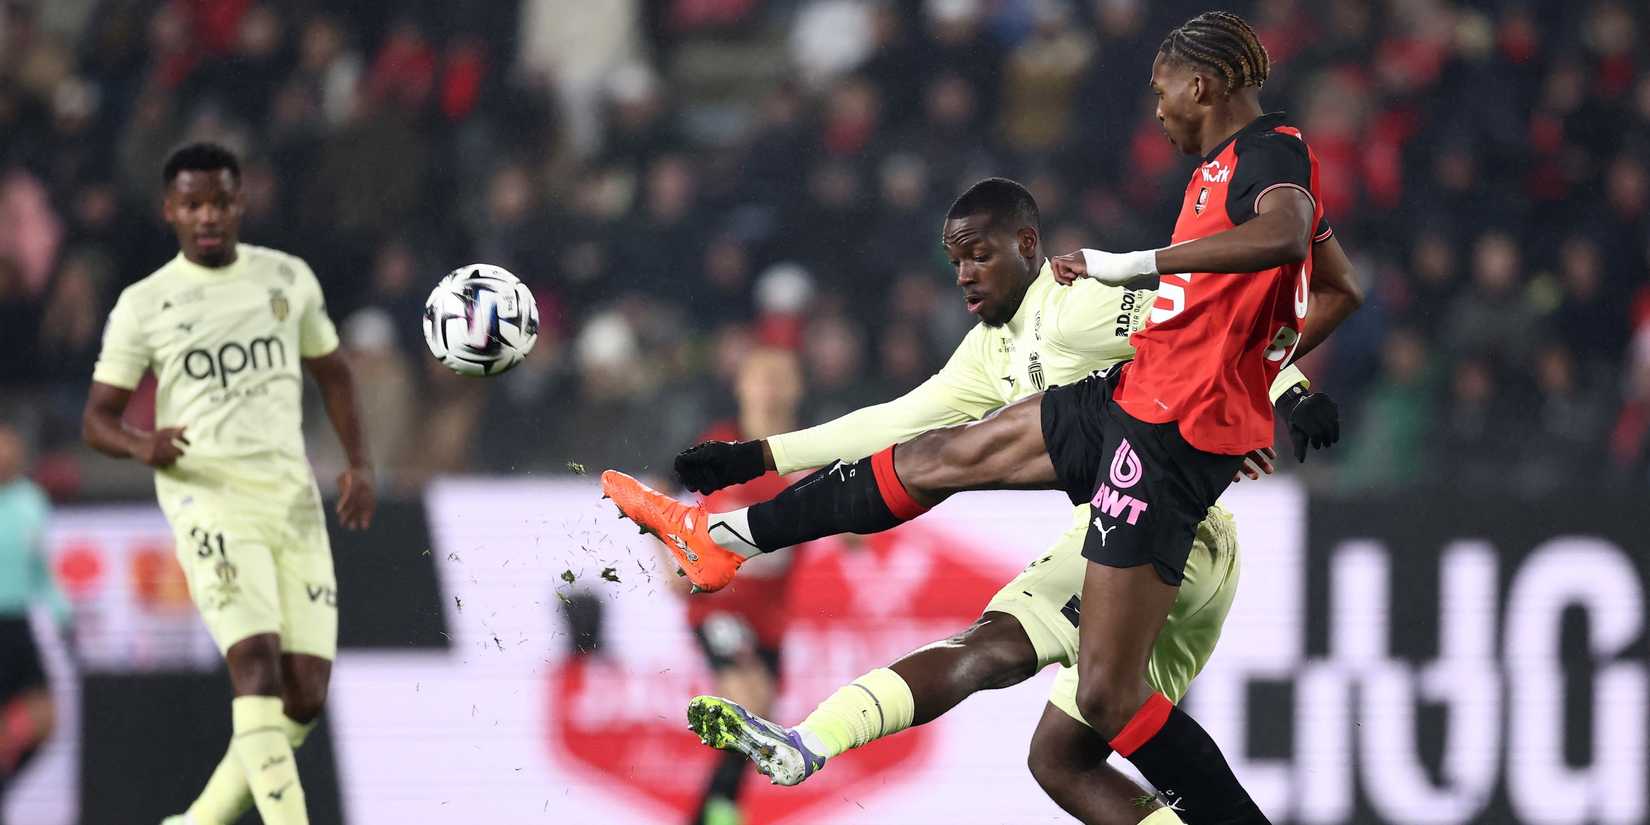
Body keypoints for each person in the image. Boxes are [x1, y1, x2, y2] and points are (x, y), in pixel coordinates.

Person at [605, 13, 1361, 824]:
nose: (964, 272)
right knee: (1055, 733)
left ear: (1028, 245)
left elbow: (1212, 306)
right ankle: (730, 554)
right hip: (1128, 443)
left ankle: (766, 637)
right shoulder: (987, 352)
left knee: (1037, 656)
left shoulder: (1087, 293)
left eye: (978, 254)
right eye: (954, 259)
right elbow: (889, 422)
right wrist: (755, 453)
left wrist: (1282, 391)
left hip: (1166, 464)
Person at [82, 143, 375, 825]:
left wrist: (359, 461)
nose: (207, 214)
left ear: (239, 202)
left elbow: (333, 371)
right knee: (255, 665)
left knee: (303, 694)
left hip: (291, 497)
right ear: (170, 211)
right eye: (193, 204)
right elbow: (97, 417)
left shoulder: (287, 278)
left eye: (219, 200)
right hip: (206, 495)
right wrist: (141, 442)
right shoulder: (144, 303)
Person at [679, 347, 807, 825]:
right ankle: (717, 816)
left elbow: (855, 528)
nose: (771, 389)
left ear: (797, 388)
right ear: (742, 386)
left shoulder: (807, 454)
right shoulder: (715, 449)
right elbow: (658, 500)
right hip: (718, 610)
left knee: (757, 722)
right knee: (749, 702)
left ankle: (714, 814)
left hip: (770, 622)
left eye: (781, 378)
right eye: (761, 377)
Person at [0, 423, 70, 819]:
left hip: (18, 628)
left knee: (44, 717)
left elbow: (41, 571)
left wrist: (61, 611)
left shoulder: (31, 502)